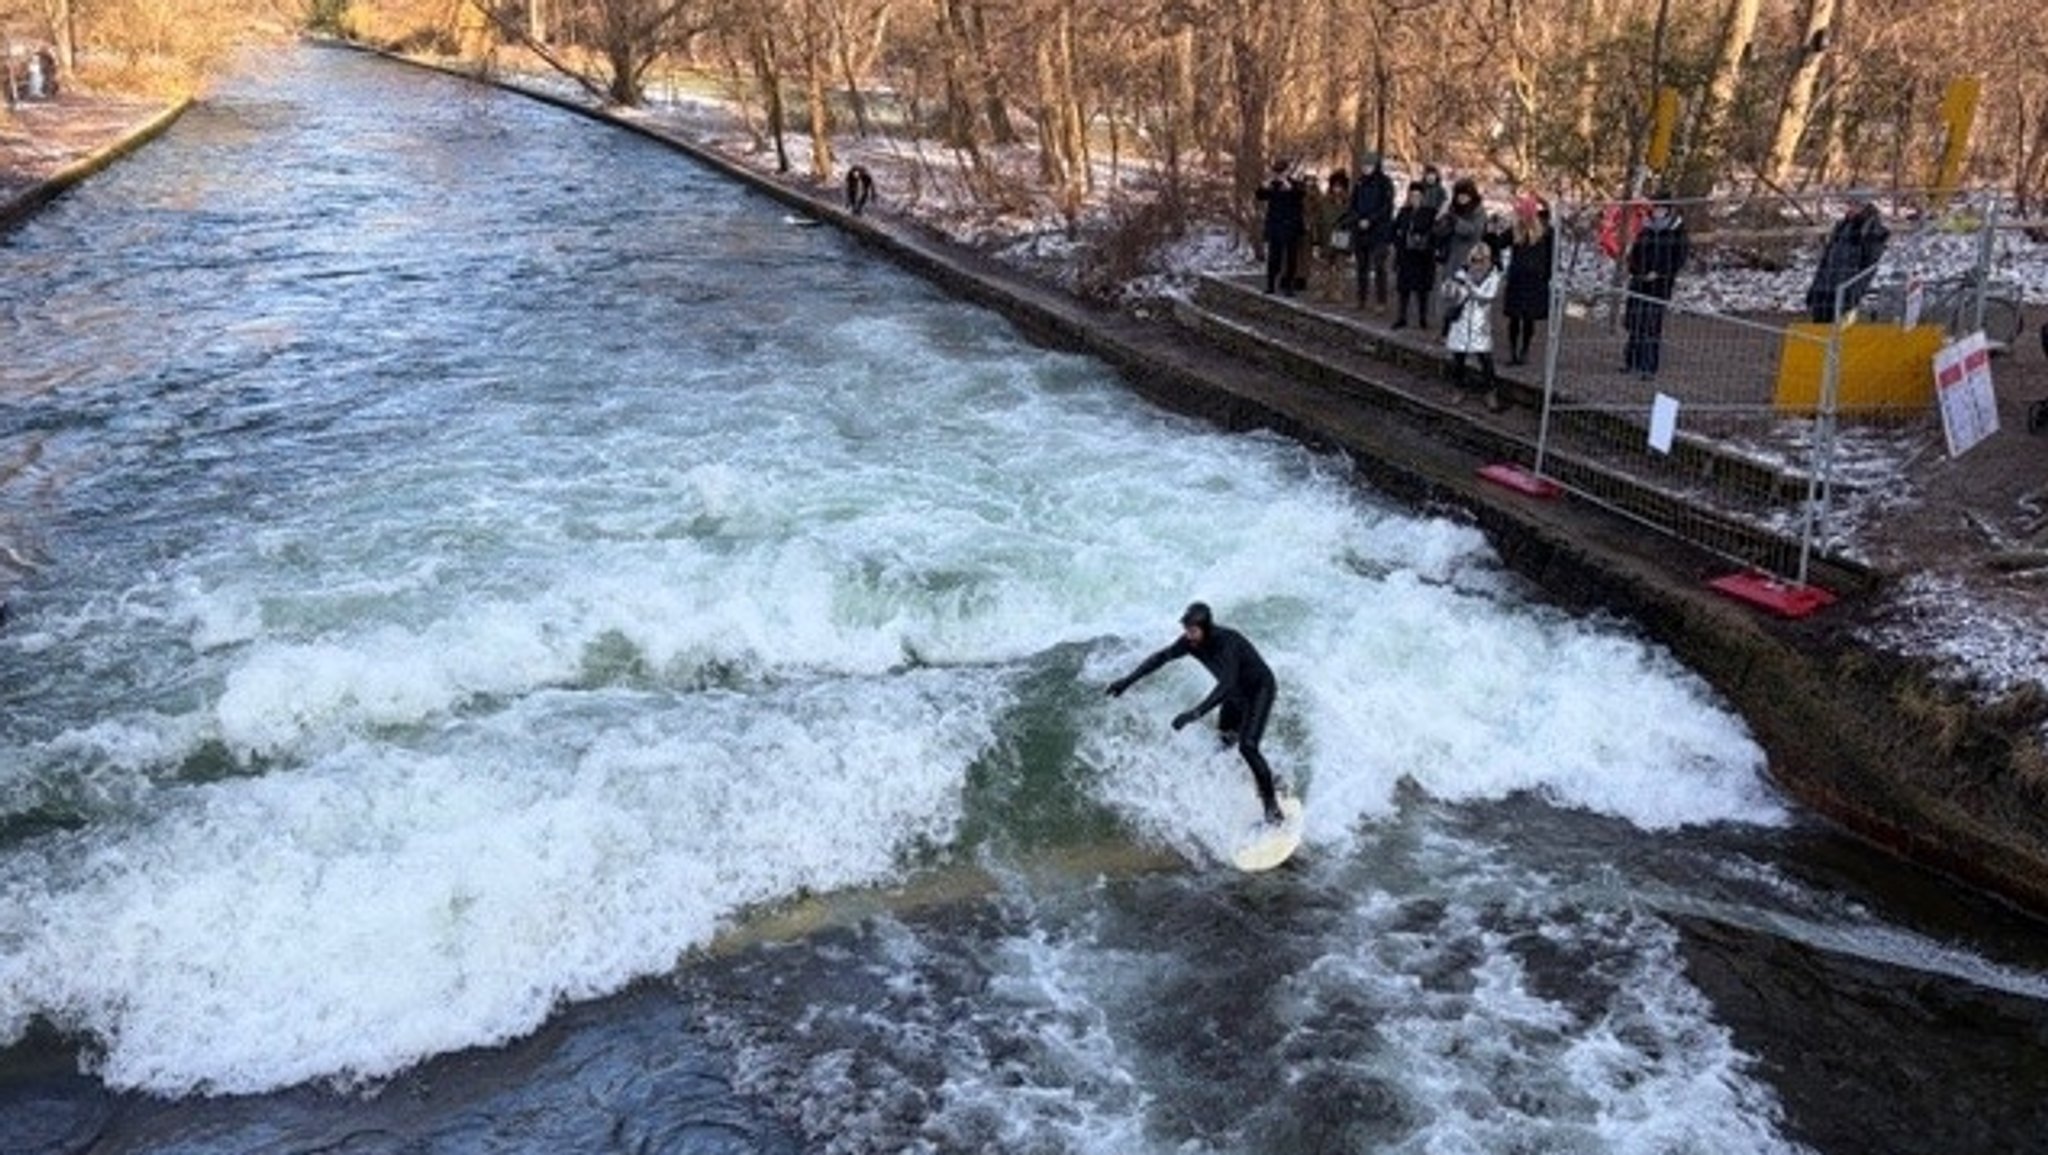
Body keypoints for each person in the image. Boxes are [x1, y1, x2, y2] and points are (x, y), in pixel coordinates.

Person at [1105, 602, 1286, 825]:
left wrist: (1196, 713)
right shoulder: (1191, 644)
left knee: (1248, 746)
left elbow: (1227, 683)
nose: (1188, 635)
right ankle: (1270, 779)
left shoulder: (1226, 642)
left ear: (1206, 627)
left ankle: (1272, 808)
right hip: (1235, 694)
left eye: (1192, 630)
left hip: (1259, 690)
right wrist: (1127, 681)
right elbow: (1161, 658)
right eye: (1186, 630)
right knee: (1225, 742)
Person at [1623, 192, 1689, 381]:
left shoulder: (1677, 231)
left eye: (1661, 207)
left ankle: (1648, 367)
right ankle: (1631, 362)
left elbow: (1678, 259)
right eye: (1656, 207)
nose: (1658, 211)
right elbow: (1634, 254)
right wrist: (1637, 271)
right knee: (1635, 324)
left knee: (1652, 327)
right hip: (1639, 282)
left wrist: (1659, 274)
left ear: (1668, 209)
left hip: (1659, 286)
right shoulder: (1645, 228)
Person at [1805, 192, 1889, 322]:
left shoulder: (1873, 230)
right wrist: (1815, 287)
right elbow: (1826, 259)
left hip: (1848, 291)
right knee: (1820, 332)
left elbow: (1869, 267)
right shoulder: (1841, 226)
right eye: (1849, 204)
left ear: (1865, 207)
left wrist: (1854, 293)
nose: (1850, 208)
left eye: (1855, 205)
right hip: (1826, 288)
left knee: (1842, 333)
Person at [1443, 244, 1506, 411]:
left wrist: (1469, 285)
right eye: (1473, 260)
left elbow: (1487, 296)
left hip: (1480, 323)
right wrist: (1449, 287)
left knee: (1485, 360)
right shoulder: (1461, 272)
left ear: (1487, 259)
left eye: (1480, 260)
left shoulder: (1493, 276)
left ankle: (1490, 391)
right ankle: (1459, 388)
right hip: (1462, 322)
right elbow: (1452, 296)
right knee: (1458, 359)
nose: (1476, 263)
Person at [1501, 195, 1554, 367]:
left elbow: (1550, 257)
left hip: (1534, 282)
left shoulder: (1545, 232)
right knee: (1514, 319)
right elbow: (1499, 243)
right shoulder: (1515, 230)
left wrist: (1547, 276)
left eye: (1524, 213)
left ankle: (1524, 351)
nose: (1521, 216)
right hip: (1517, 280)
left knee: (1529, 319)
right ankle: (1512, 352)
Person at [1432, 178, 1485, 331]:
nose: (1461, 200)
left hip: (1467, 259)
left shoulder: (1478, 211)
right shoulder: (1453, 209)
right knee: (1447, 294)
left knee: (1463, 296)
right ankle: (1445, 327)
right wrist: (1441, 220)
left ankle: (1459, 329)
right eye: (1459, 196)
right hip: (1450, 257)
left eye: (1465, 196)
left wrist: (1456, 221)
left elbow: (1473, 231)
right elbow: (1439, 231)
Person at [1348, 152, 1397, 309]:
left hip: (1379, 231)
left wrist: (1370, 220)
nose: (1365, 168)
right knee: (1361, 266)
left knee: (1379, 266)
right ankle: (1361, 299)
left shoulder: (1384, 183)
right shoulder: (1360, 182)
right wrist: (1358, 219)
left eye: (1368, 165)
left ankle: (1380, 301)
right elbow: (1353, 204)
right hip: (1361, 229)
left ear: (1375, 166)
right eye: (1363, 165)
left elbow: (1387, 206)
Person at [1255, 159, 1308, 296]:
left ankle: (1289, 286)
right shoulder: (1272, 185)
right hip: (1276, 227)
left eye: (1281, 171)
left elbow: (1301, 196)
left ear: (1287, 171)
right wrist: (1264, 186)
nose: (1278, 174)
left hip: (1291, 227)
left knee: (1291, 258)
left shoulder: (1295, 184)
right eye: (1276, 171)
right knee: (1274, 257)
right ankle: (1270, 285)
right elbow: (1260, 196)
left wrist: (1289, 186)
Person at [1390, 182, 1438, 330]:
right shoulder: (1404, 212)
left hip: (1422, 257)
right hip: (1405, 255)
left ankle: (1423, 319)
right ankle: (1402, 317)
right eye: (1412, 196)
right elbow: (1394, 229)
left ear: (1423, 197)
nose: (1414, 199)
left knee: (1422, 291)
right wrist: (1399, 239)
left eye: (1417, 196)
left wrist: (1422, 238)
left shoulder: (1430, 213)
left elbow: (1435, 233)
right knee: (1404, 289)